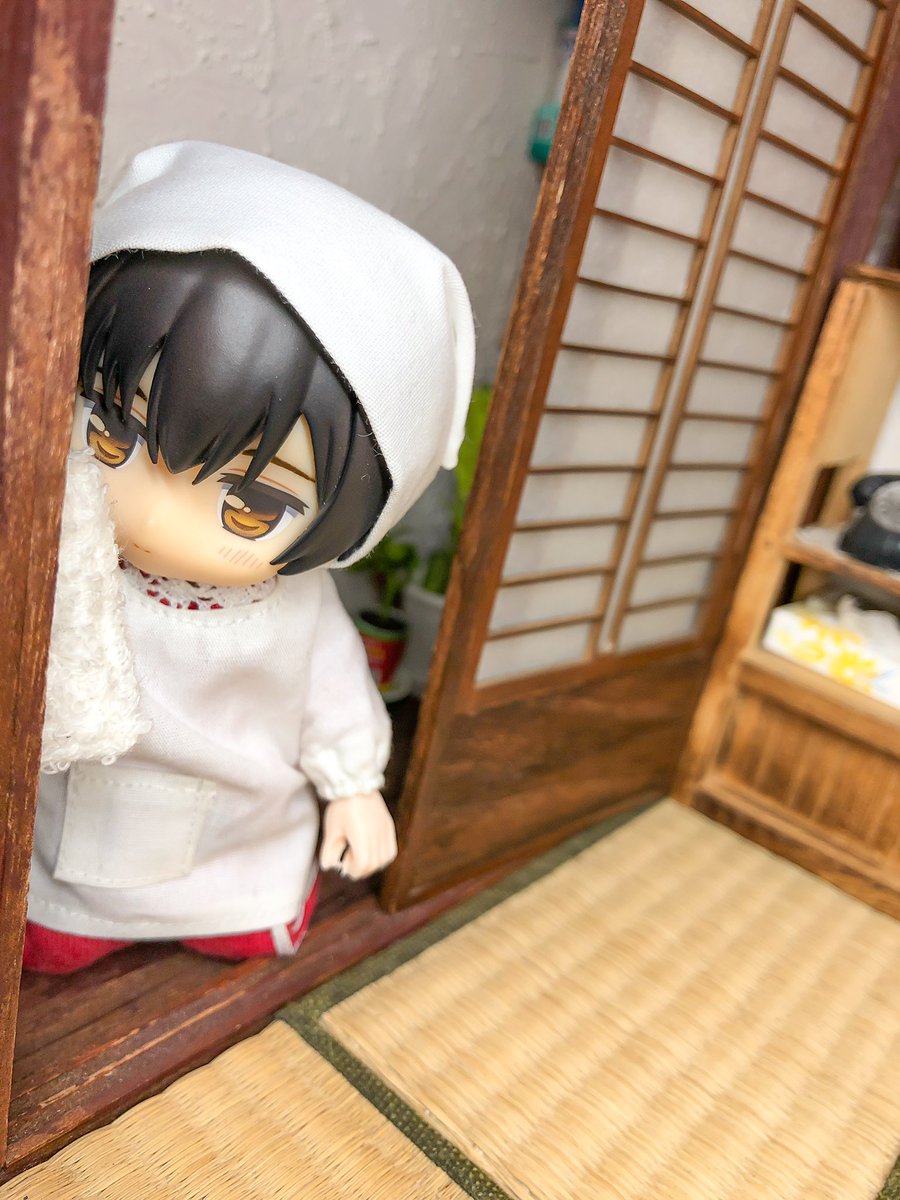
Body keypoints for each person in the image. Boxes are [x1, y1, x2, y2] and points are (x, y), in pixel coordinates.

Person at [24, 141, 475, 974]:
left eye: (254, 502)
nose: (156, 516)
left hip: (242, 824)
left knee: (244, 914)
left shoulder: (297, 606)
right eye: (111, 430)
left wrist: (354, 787)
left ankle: (234, 905)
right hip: (72, 817)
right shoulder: (65, 548)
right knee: (54, 929)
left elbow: (335, 697)